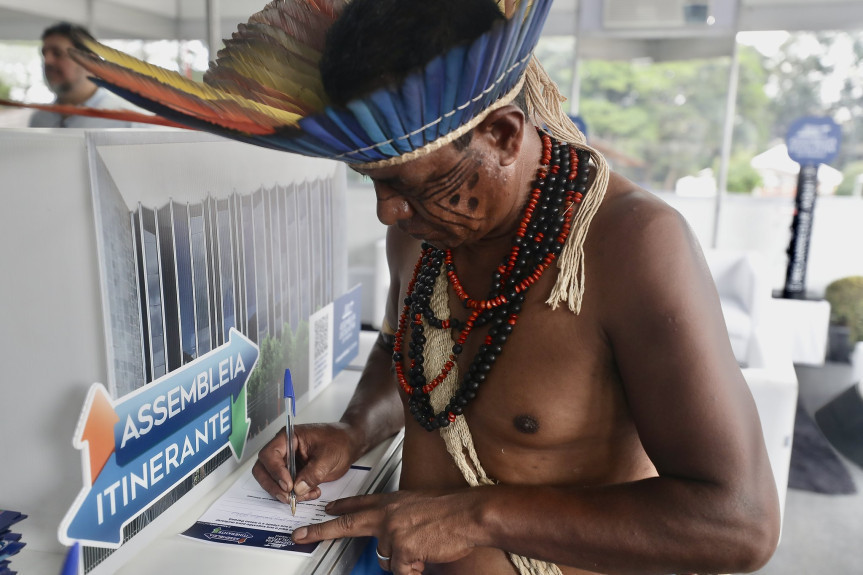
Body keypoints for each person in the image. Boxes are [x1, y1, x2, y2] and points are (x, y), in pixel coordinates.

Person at [249, 1, 781, 574]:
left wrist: (476, 516)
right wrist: (353, 431)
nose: (386, 211)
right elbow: (397, 350)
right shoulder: (422, 229)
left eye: (404, 183)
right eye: (373, 182)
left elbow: (739, 522)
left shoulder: (631, 247)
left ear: (502, 134)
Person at [29, 22, 147, 128]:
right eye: (44, 54)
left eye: (57, 53)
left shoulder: (129, 121)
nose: (47, 61)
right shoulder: (39, 120)